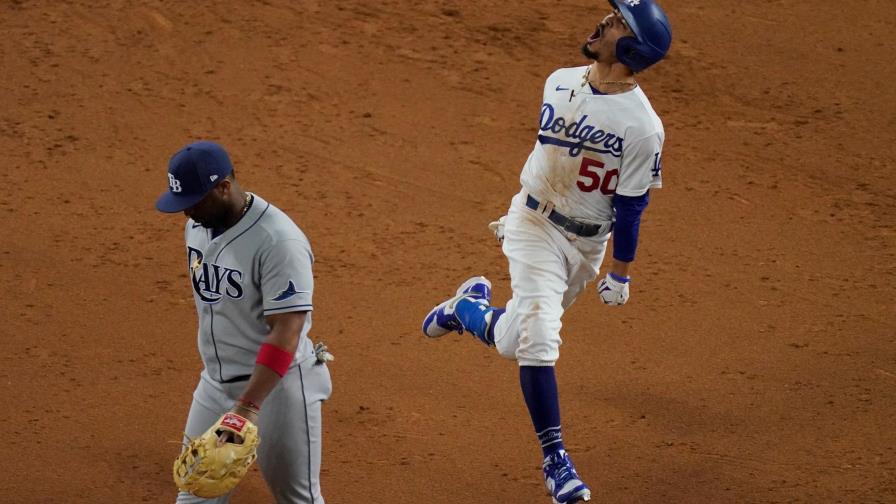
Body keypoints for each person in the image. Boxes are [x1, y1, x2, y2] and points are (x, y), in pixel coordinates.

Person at [422, 1, 672, 503]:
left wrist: (620, 270)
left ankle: (465, 308)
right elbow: (548, 154)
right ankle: (555, 459)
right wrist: (521, 214)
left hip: (586, 245)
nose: (605, 22)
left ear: (631, 48)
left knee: (517, 340)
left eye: (619, 21)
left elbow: (631, 203)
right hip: (532, 223)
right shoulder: (559, 79)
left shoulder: (643, 127)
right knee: (540, 341)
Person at [156, 140, 333, 504]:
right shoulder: (200, 225)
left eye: (194, 201)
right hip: (216, 383)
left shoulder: (279, 241)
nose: (186, 211)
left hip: (279, 389)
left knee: (297, 498)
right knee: (195, 490)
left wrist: (246, 409)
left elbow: (287, 329)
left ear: (223, 187)